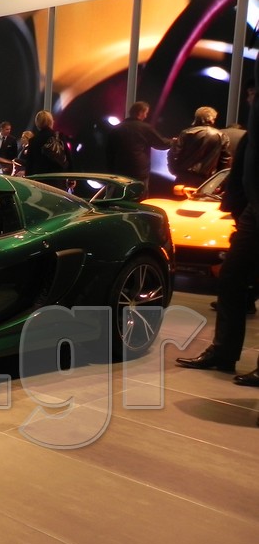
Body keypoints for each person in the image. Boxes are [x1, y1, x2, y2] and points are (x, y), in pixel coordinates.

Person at [177, 64, 259, 384]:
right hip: (251, 213)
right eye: (249, 92)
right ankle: (223, 352)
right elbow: (239, 172)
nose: (250, 97)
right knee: (231, 278)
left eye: (253, 92)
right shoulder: (249, 133)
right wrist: (238, 209)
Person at [106, 101, 173, 190]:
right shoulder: (145, 128)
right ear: (140, 112)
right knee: (139, 193)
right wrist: (174, 141)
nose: (145, 116)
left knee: (122, 194)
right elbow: (161, 144)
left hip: (120, 169)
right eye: (146, 113)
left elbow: (109, 152)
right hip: (138, 169)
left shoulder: (116, 129)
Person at [167, 106, 232, 186]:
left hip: (184, 177)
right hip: (208, 181)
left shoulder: (187, 133)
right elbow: (225, 161)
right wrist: (219, 182)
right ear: (212, 119)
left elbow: (174, 154)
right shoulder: (222, 136)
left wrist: (174, 171)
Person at [25, 110, 68, 175]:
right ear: (51, 121)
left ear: (37, 122)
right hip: (57, 176)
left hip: (39, 177)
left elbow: (29, 164)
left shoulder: (33, 140)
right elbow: (68, 157)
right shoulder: (59, 137)